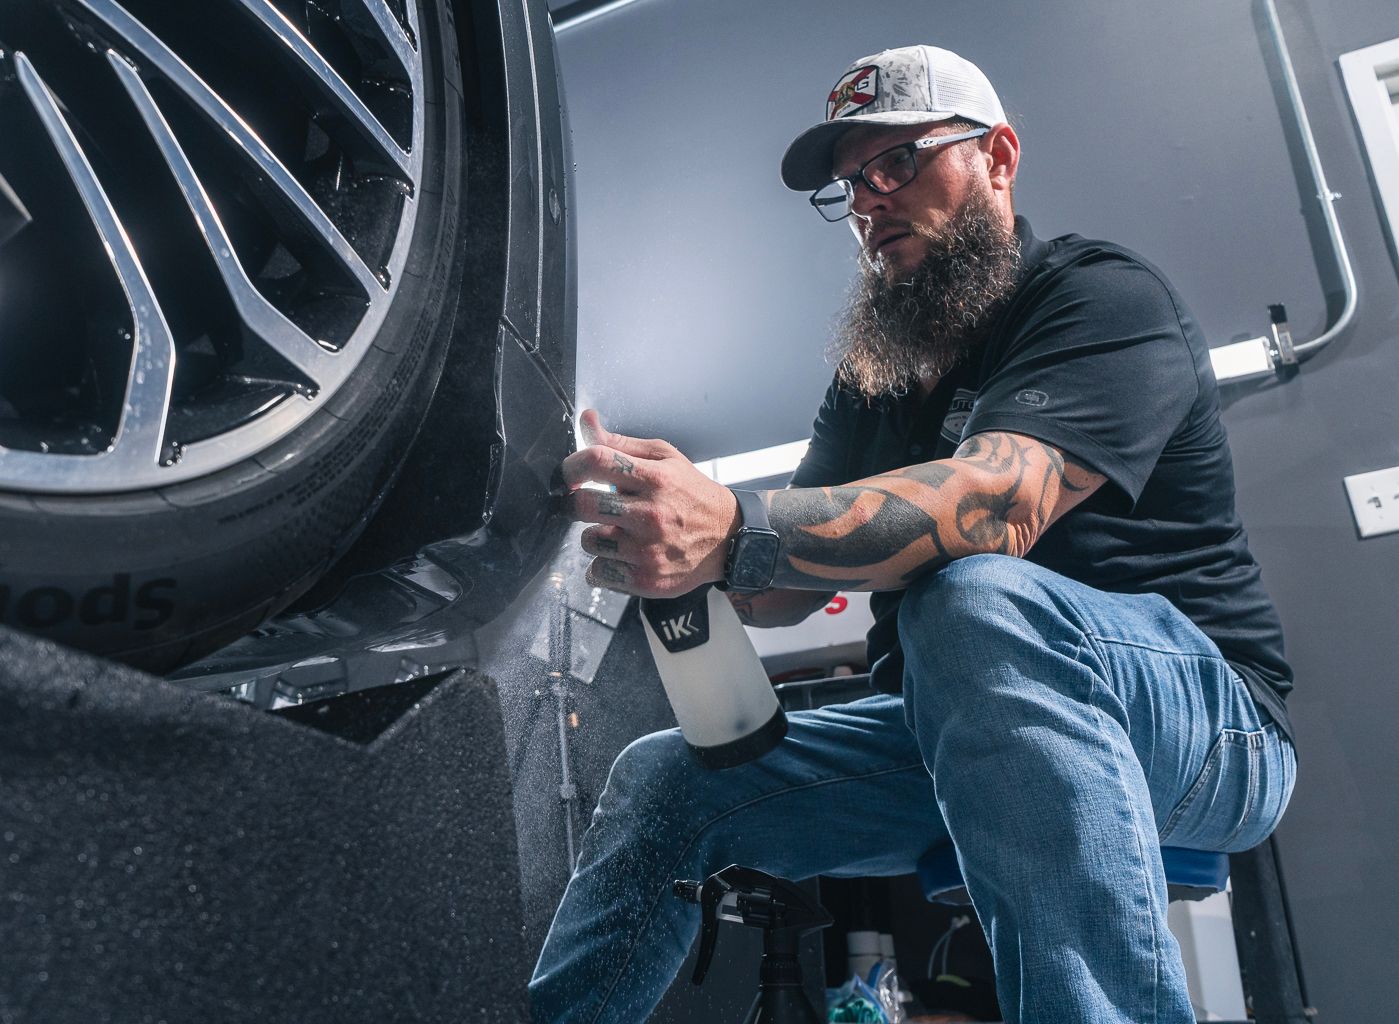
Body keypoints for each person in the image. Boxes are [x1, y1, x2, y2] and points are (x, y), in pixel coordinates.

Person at [530, 44, 1297, 1024]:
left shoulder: (1098, 298)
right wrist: (668, 535)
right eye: (851, 183)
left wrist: (731, 525)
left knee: (971, 596)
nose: (869, 201)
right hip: (955, 726)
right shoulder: (874, 374)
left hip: (1208, 728)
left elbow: (995, 506)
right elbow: (780, 587)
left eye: (898, 162)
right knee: (663, 779)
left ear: (997, 156)